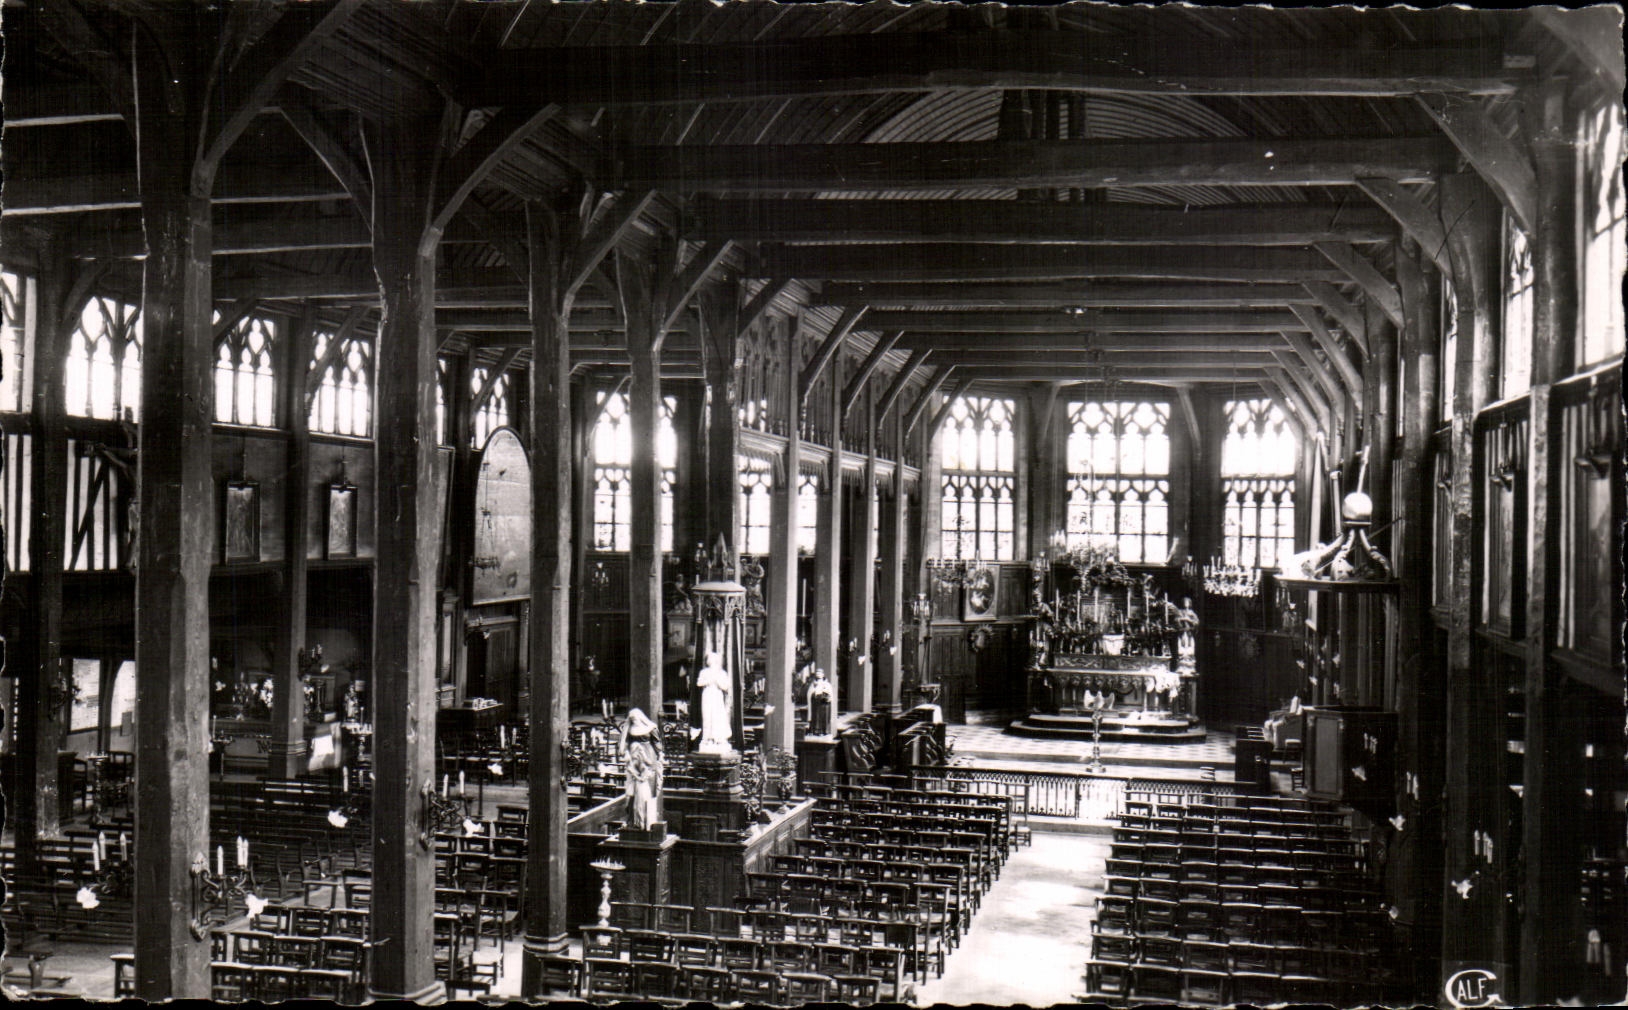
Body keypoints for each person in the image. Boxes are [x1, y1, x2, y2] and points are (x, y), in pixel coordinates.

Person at [621, 707, 664, 831]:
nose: (634, 721)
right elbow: (626, 744)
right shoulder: (630, 729)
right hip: (634, 758)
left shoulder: (651, 727)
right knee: (633, 790)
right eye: (632, 720)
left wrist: (660, 754)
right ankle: (633, 818)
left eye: (635, 719)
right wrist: (627, 755)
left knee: (647, 789)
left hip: (648, 758)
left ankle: (647, 819)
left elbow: (657, 743)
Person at [696, 650, 734, 753]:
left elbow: (726, 686)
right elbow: (699, 683)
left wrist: (717, 680)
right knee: (707, 717)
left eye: (713, 659)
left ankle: (719, 739)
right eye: (709, 659)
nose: (711, 661)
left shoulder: (722, 673)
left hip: (717, 695)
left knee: (718, 717)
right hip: (707, 694)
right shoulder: (704, 672)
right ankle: (707, 739)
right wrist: (708, 680)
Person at [807, 667, 834, 737]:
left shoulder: (827, 684)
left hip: (824, 704)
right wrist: (813, 694)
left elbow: (830, 694)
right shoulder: (813, 684)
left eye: (820, 673)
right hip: (815, 703)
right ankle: (815, 730)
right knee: (816, 716)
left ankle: (824, 730)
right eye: (817, 672)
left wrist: (827, 697)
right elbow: (809, 693)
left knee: (824, 717)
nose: (818, 674)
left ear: (823, 674)